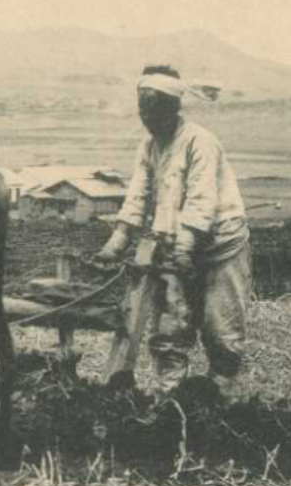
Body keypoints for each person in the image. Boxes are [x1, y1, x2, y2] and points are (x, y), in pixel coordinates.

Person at [94, 64, 252, 397]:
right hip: (174, 246)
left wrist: (185, 247)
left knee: (220, 329)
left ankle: (224, 396)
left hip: (219, 246)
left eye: (154, 110)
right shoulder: (148, 147)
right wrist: (118, 240)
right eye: (142, 111)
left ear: (172, 107)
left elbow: (201, 197)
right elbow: (137, 194)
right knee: (169, 328)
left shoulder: (200, 142)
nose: (147, 118)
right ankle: (171, 399)